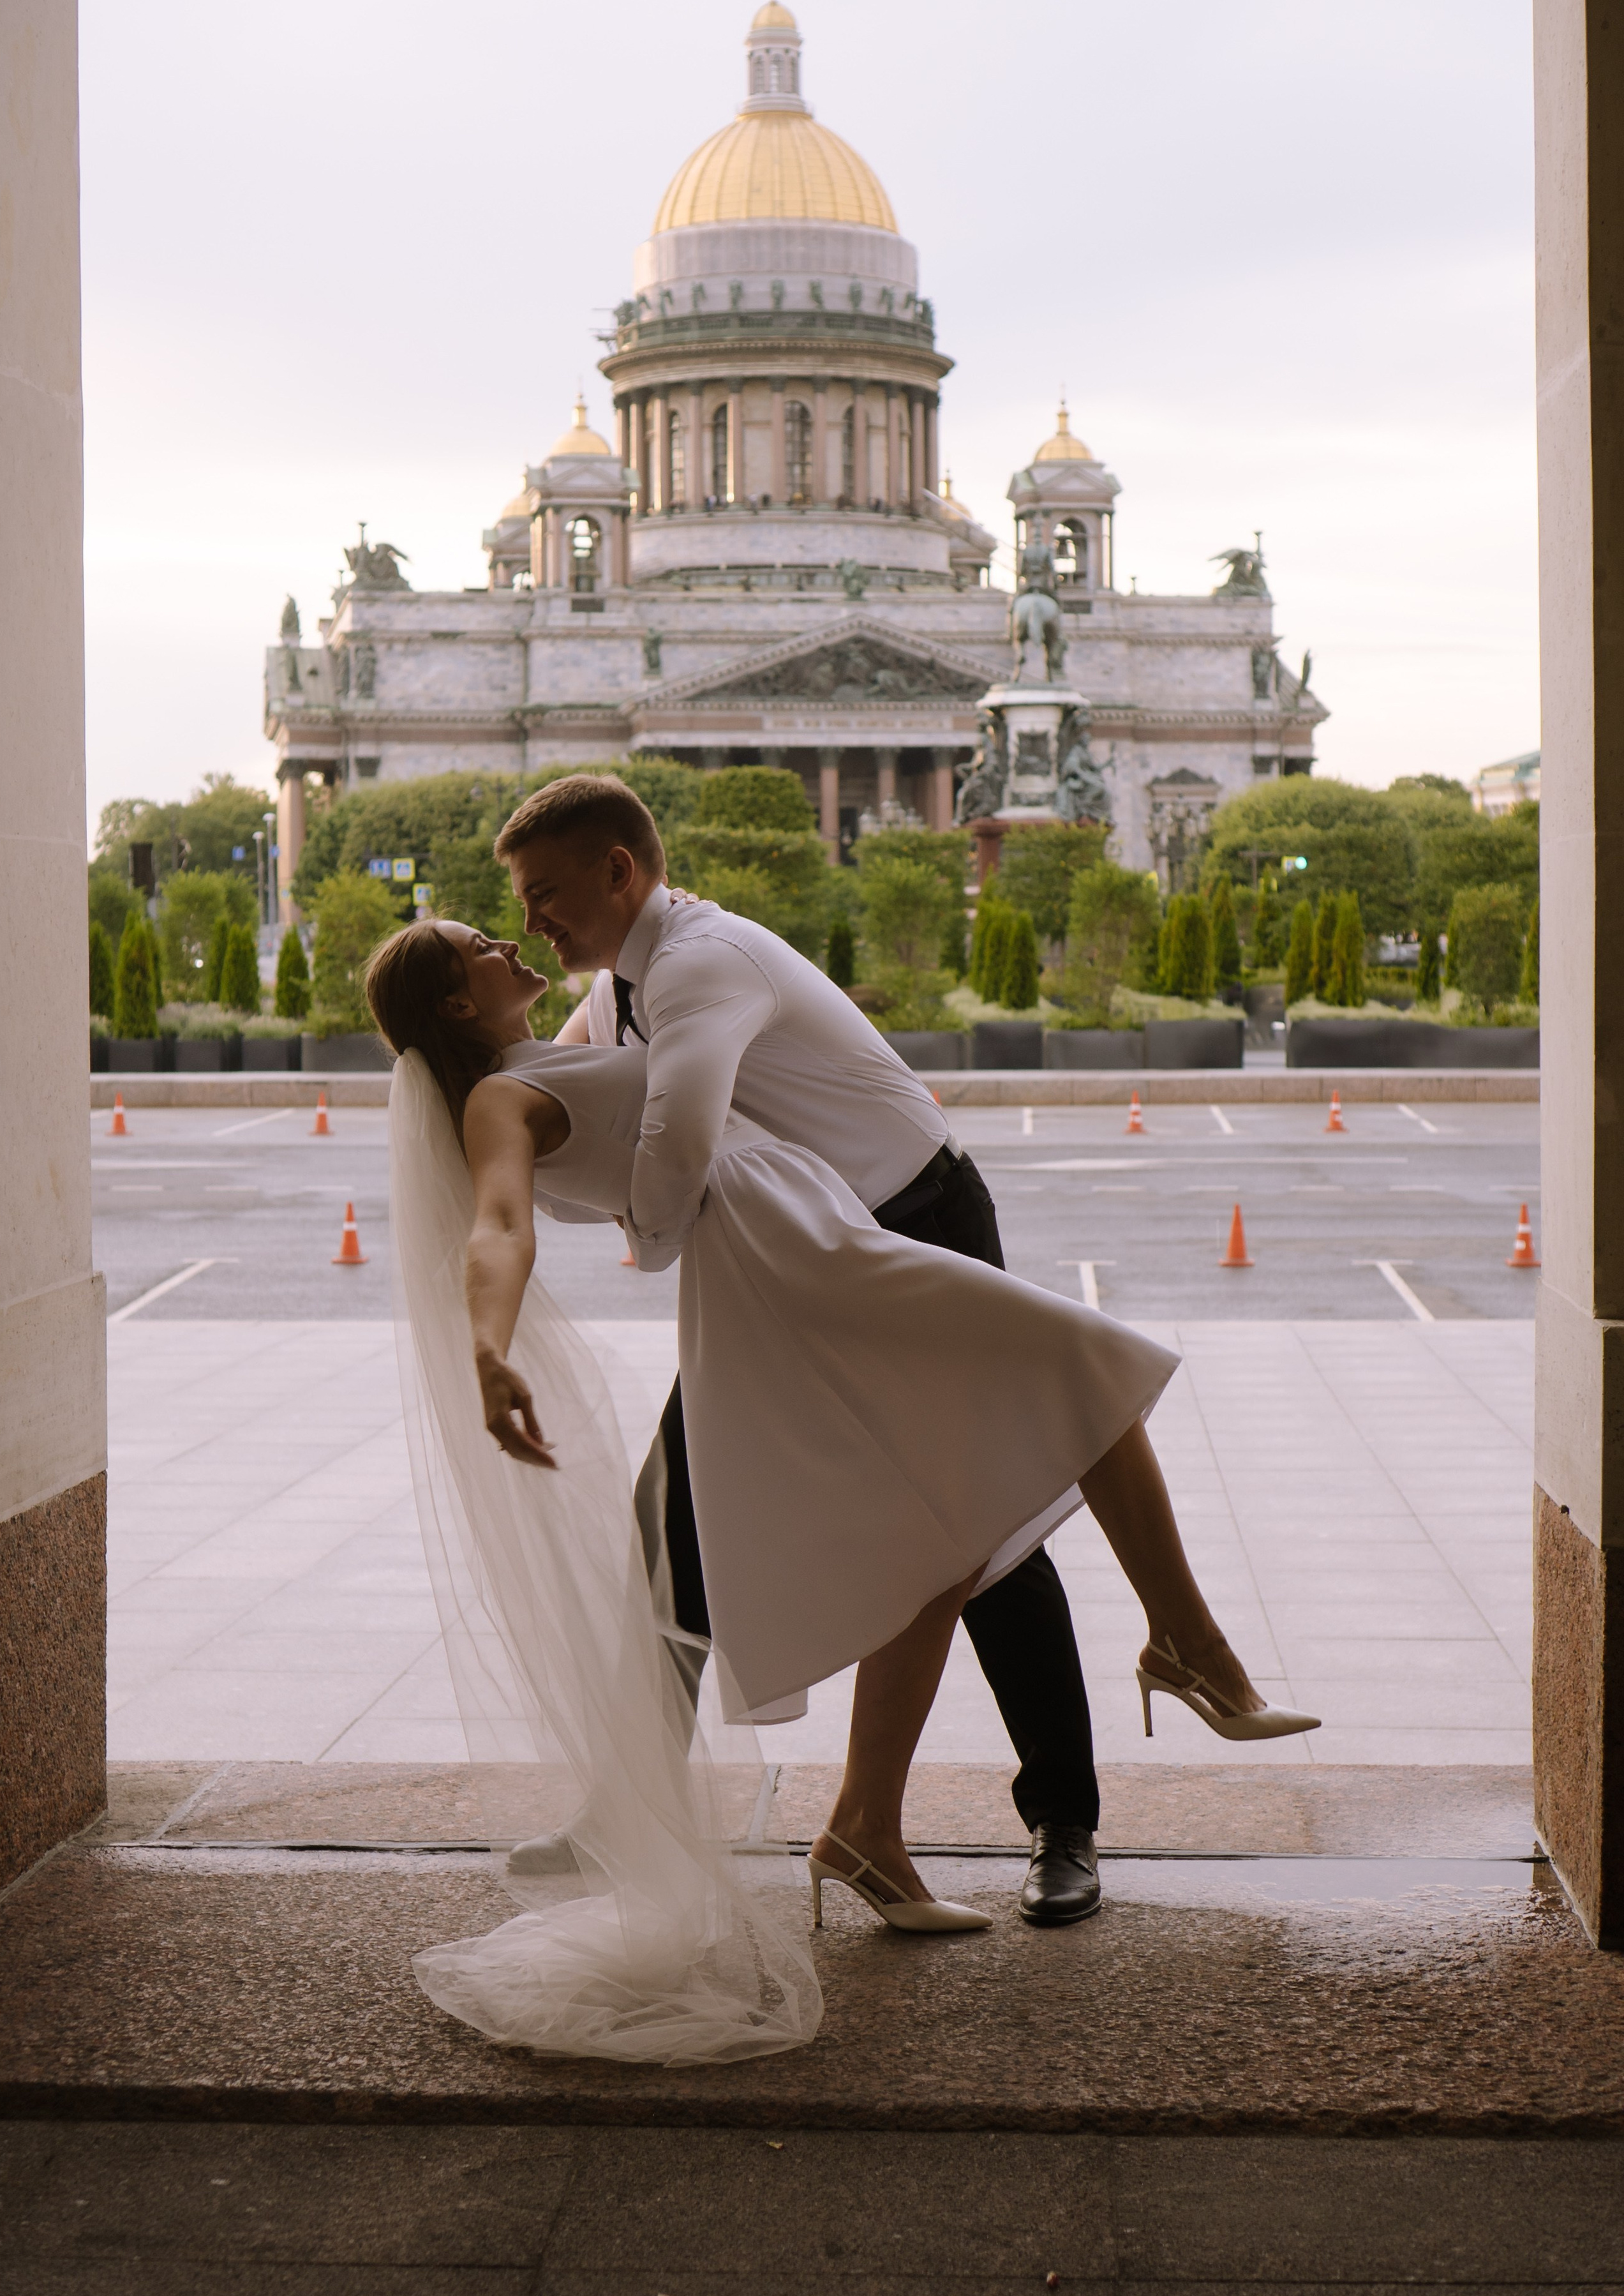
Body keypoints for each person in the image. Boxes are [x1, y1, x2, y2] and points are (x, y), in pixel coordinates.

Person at [491, 777, 1314, 1928]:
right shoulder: (622, 983)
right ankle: (637, 1811)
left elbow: (672, 1157)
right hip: (795, 1264)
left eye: (546, 896)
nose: (535, 921)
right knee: (673, 1527)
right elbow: (586, 1093)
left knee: (986, 1547)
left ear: (620, 874)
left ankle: (1063, 1825)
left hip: (909, 1218)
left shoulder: (698, 964)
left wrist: (644, 1233)